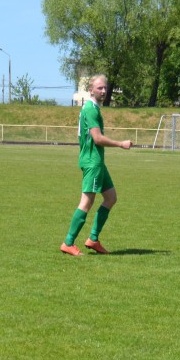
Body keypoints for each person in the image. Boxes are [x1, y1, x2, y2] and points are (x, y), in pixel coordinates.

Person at [62, 75, 132, 256]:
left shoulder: (93, 108)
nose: (103, 91)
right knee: (87, 202)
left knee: (111, 197)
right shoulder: (91, 110)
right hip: (92, 162)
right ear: (91, 90)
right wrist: (120, 144)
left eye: (105, 88)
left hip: (98, 161)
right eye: (99, 88)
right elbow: (97, 138)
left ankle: (93, 239)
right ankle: (68, 242)